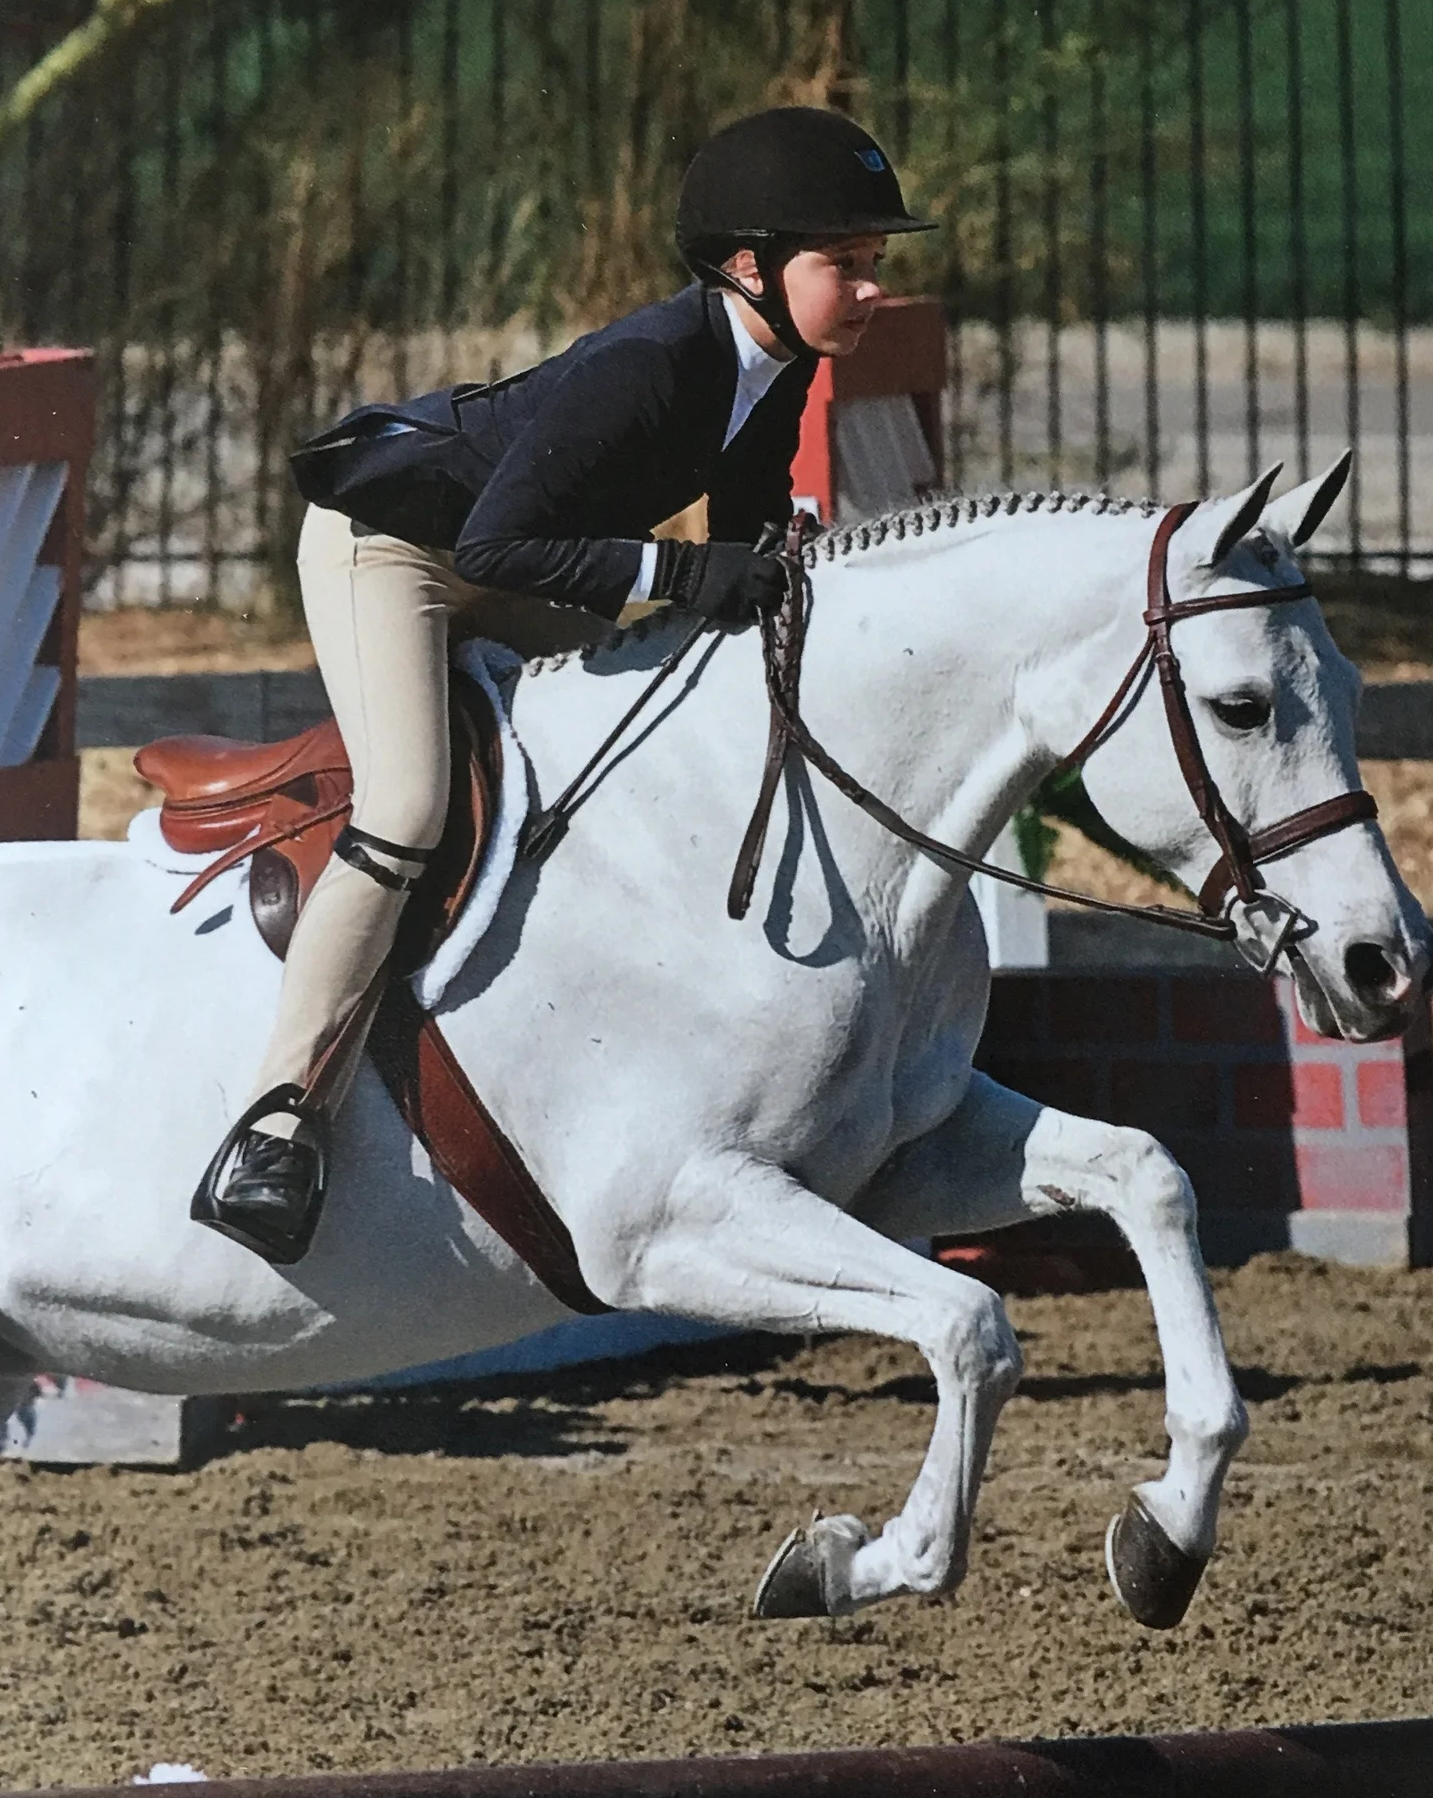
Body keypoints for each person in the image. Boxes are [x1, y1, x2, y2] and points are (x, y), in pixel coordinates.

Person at [192, 105, 936, 1264]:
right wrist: (692, 570)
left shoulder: (775, 366)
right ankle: (278, 1121)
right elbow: (495, 549)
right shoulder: (650, 364)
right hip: (391, 551)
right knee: (408, 808)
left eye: (876, 264)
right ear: (748, 266)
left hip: (507, 556)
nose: (872, 287)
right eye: (846, 263)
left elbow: (744, 549)